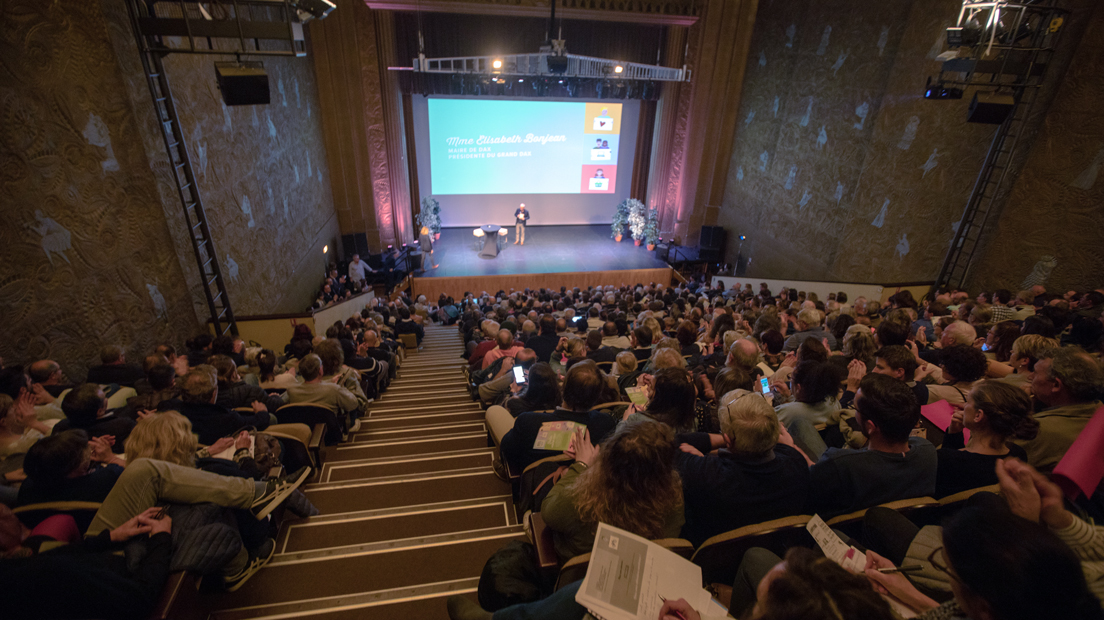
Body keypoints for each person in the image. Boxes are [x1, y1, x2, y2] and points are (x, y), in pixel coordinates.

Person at [676, 392, 810, 546]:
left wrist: (729, 440)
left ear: (728, 440)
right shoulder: (796, 464)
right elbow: (787, 450)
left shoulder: (705, 474)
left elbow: (672, 443)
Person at [541, 420, 683, 564]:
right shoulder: (673, 497)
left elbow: (548, 511)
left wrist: (581, 464)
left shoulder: (581, 499)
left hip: (575, 571)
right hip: (639, 568)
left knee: (545, 470)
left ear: (608, 458)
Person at [806, 373, 936, 519]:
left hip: (844, 531)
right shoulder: (928, 451)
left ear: (870, 426)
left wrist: (795, 450)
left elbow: (807, 492)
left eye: (855, 408)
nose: (853, 413)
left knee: (801, 424)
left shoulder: (839, 464)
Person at [494, 361, 616, 472]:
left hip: (536, 482)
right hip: (583, 480)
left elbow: (506, 450)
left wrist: (512, 393)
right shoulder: (607, 424)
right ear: (597, 395)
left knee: (493, 411)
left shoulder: (527, 421)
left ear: (564, 387)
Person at [935, 380, 1035, 498]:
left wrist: (952, 437)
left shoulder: (945, 459)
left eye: (967, 402)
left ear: (978, 415)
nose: (964, 406)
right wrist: (954, 434)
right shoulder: (1018, 455)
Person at [1018, 346, 1104, 471]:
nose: (1030, 377)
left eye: (1035, 372)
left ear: (1056, 385)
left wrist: (1021, 408)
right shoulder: (1098, 413)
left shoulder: (1037, 431)